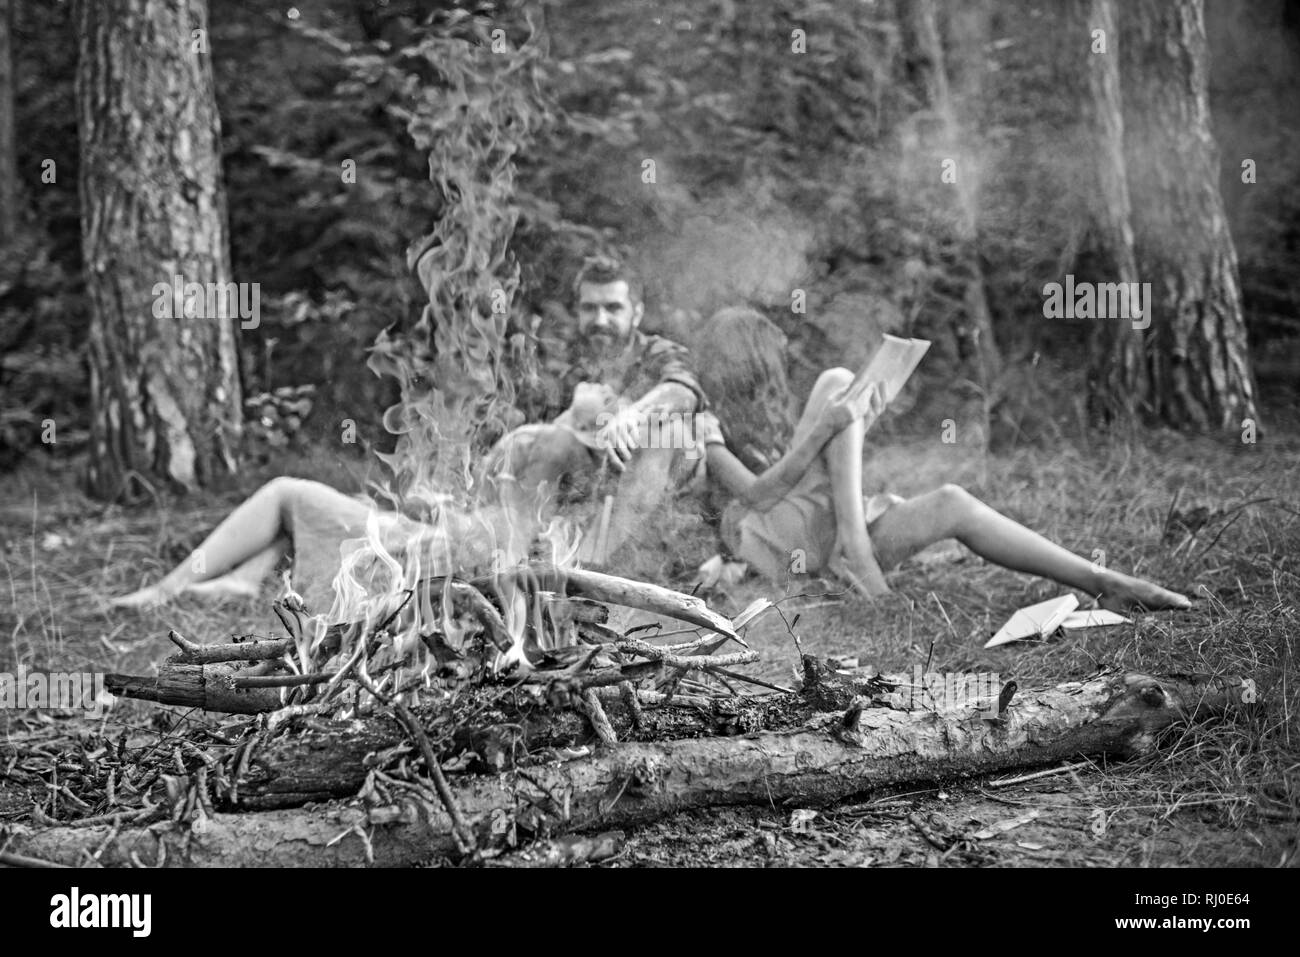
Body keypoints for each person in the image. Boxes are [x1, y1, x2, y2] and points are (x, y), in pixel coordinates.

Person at [693, 307, 1191, 613]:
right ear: (746, 360)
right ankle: (857, 549)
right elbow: (757, 493)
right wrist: (830, 427)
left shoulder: (775, 414)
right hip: (776, 547)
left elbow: (810, 470)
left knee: (952, 501)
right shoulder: (704, 420)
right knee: (836, 383)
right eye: (769, 356)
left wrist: (856, 421)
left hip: (820, 536)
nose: (779, 367)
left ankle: (1102, 581)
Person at [109, 383, 624, 612]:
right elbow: (499, 525)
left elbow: (497, 535)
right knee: (328, 507)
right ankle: (243, 581)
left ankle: (168, 588)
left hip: (429, 553)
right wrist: (441, 506)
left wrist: (439, 514)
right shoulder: (576, 476)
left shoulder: (549, 450)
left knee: (288, 491)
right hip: (442, 544)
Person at [484, 255, 705, 566]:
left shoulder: (658, 354)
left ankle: (591, 569)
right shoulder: (577, 373)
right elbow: (553, 442)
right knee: (538, 441)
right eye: (590, 308)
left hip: (677, 503)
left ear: (637, 313)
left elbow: (685, 391)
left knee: (666, 432)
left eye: (613, 308)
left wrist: (633, 416)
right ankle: (518, 561)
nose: (600, 319)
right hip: (595, 497)